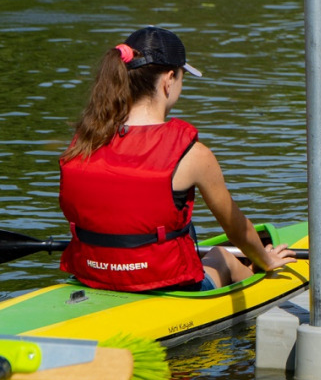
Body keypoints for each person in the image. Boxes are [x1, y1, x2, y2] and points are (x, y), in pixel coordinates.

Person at [58, 27, 295, 292]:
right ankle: (256, 281)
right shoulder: (193, 154)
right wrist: (267, 259)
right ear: (169, 80)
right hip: (165, 283)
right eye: (183, 78)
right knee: (222, 256)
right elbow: (237, 230)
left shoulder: (86, 139)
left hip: (93, 273)